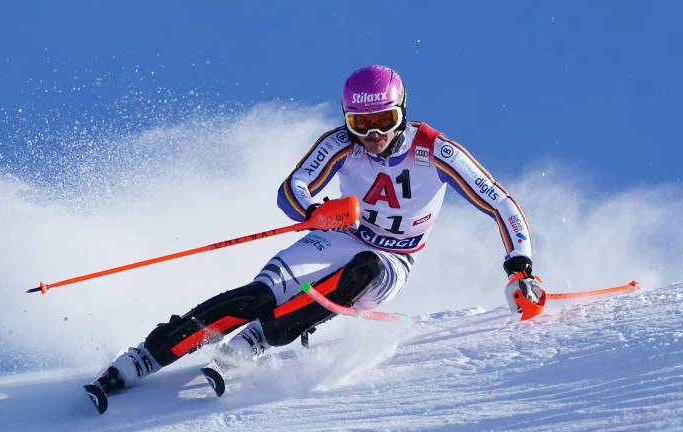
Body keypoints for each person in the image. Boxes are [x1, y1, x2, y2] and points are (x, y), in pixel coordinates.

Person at [90, 65, 545, 400]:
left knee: (362, 272)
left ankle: (259, 340)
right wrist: (316, 211)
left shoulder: (435, 149)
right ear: (348, 119)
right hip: (341, 235)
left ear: (402, 112)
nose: (372, 135)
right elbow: (291, 190)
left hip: (395, 257)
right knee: (255, 298)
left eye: (383, 121)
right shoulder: (340, 145)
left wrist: (519, 268)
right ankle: (145, 357)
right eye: (360, 124)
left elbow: (499, 202)